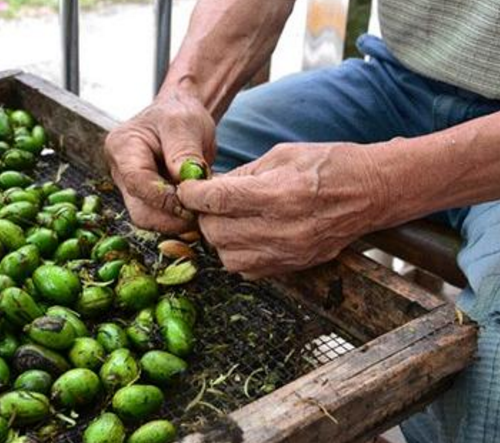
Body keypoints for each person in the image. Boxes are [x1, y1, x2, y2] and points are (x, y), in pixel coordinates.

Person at [104, 0, 500, 442]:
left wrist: (380, 182)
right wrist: (185, 93)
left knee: (489, 377)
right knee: (167, 185)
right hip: (399, 81)